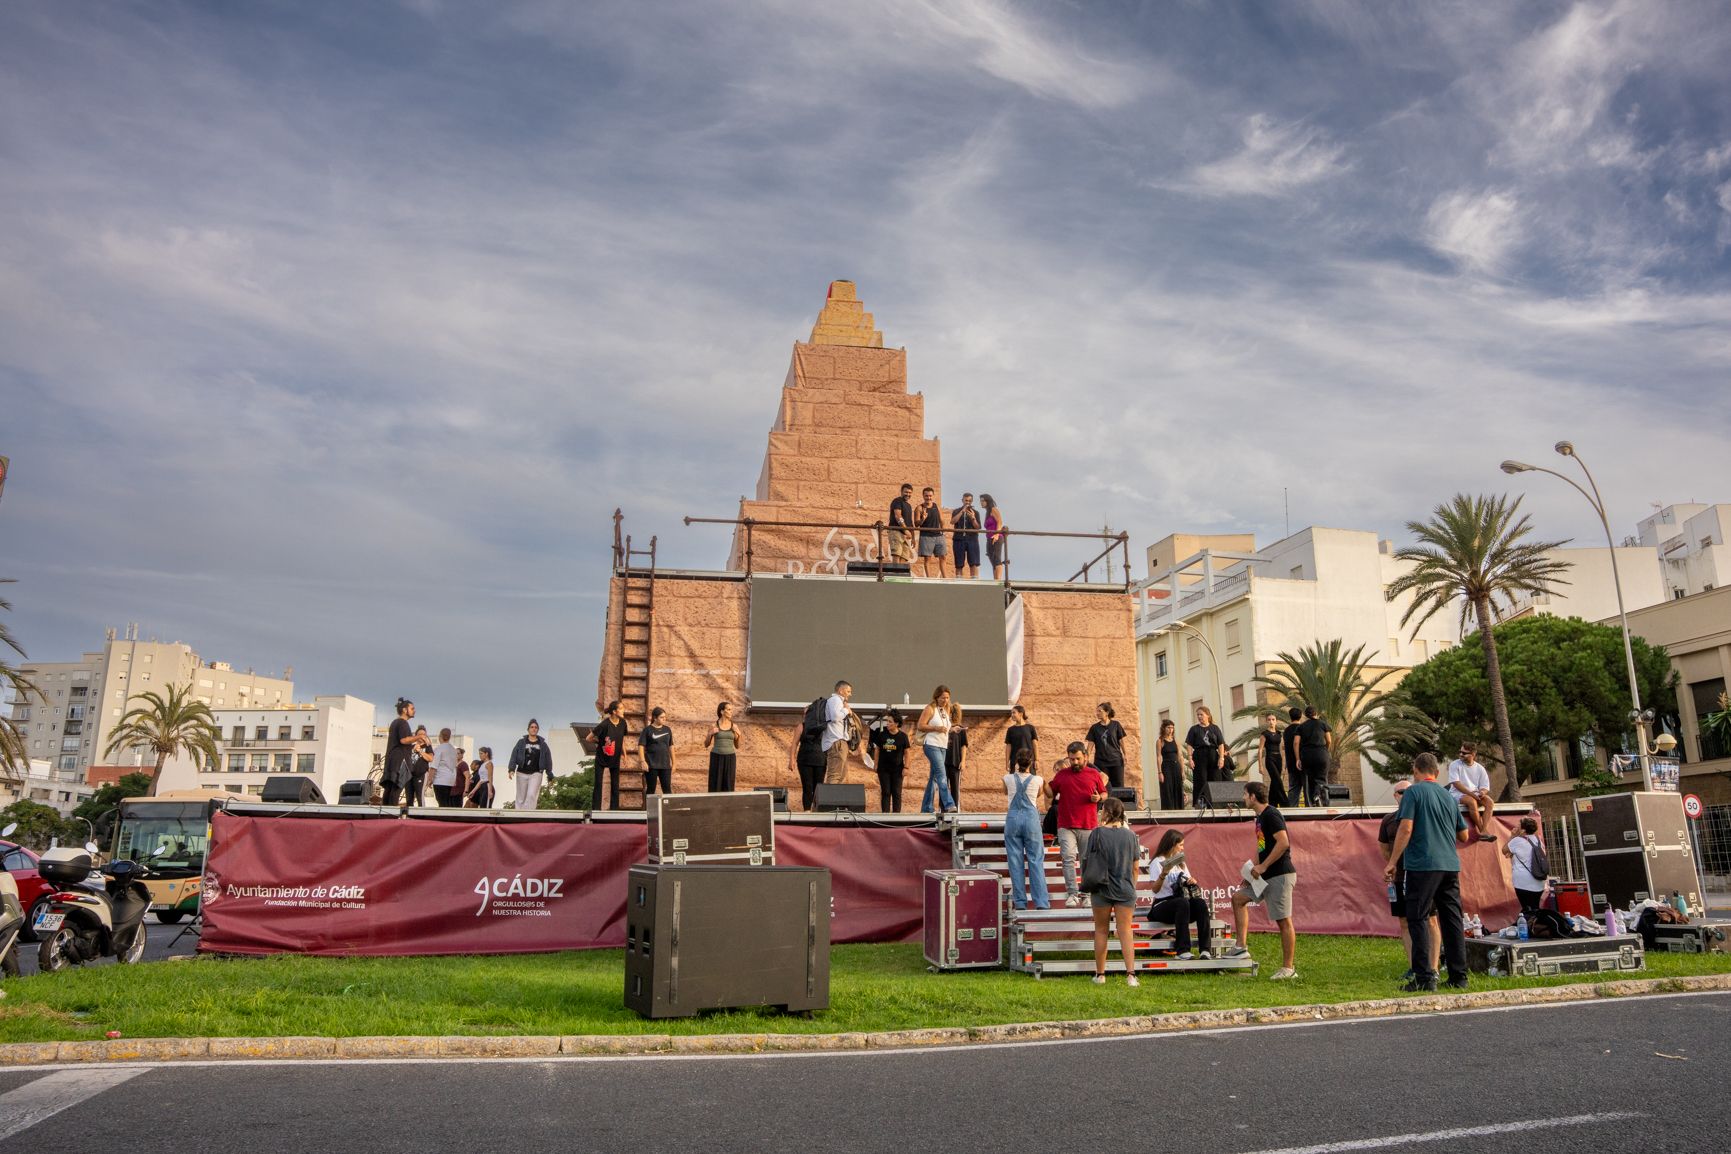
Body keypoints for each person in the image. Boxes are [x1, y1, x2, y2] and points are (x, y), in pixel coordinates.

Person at [1384, 752, 1472, 993]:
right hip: (1450, 864)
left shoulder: (1413, 792)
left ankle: (1424, 977)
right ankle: (1458, 975)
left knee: (1418, 916)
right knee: (1451, 918)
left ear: (1416, 770)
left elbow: (1406, 828)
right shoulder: (1448, 796)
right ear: (1436, 771)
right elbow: (1463, 834)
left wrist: (1392, 861)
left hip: (1422, 865)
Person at [1227, 781, 1298, 979]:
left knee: (1283, 921)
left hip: (1280, 875)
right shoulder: (1259, 819)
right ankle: (1241, 946)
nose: (1242, 798)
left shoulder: (1271, 814)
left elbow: (1283, 842)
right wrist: (1250, 875)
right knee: (1238, 898)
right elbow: (1261, 847)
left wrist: (1264, 866)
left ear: (1253, 797)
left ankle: (1288, 969)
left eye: (1244, 794)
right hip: (1263, 876)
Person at [1379, 779, 1439, 981]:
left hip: (1423, 875)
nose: (1404, 795)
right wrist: (1392, 864)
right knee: (1404, 921)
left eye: (1408, 791)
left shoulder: (1423, 817)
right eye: (1400, 792)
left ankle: (1433, 967)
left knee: (1430, 920)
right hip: (1400, 878)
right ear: (1395, 796)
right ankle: (1415, 966)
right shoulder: (1388, 820)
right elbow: (1384, 847)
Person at [1084, 796, 1144, 986]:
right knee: (1125, 931)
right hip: (1125, 887)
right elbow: (1136, 867)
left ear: (1107, 812)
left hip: (1101, 887)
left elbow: (1087, 860)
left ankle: (1100, 975)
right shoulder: (1130, 836)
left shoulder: (1097, 833)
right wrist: (1131, 886)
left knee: (1101, 931)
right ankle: (1131, 975)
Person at [1046, 741, 1108, 907]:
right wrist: (1041, 783)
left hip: (1088, 824)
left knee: (1087, 861)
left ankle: (1086, 894)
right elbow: (1051, 792)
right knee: (1068, 858)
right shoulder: (1062, 775)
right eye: (1072, 759)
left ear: (1085, 757)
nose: (1075, 762)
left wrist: (1099, 798)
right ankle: (1072, 893)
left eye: (1078, 759)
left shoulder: (1094, 774)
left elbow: (1104, 793)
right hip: (1066, 824)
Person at [1147, 829, 1212, 959]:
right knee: (1182, 903)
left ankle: (1205, 950)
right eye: (1180, 845)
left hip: (1181, 904)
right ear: (1172, 844)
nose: (1182, 848)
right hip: (1162, 904)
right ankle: (1182, 950)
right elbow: (1154, 890)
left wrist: (1191, 881)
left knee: (1200, 903)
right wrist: (1163, 873)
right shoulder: (1157, 862)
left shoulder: (1180, 862)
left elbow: (1186, 881)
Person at [1002, 749, 1049, 910]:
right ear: (1031, 762)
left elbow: (1006, 792)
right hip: (1031, 821)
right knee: (1036, 860)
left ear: (1016, 762)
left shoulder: (1007, 778)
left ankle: (1020, 902)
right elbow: (1038, 795)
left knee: (1015, 862)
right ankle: (1041, 902)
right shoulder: (1038, 780)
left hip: (1013, 820)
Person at [917, 685, 959, 813]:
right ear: (936, 697)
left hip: (942, 746)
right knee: (942, 774)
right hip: (931, 745)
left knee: (934, 777)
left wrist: (952, 729)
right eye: (942, 698)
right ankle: (949, 804)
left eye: (947, 698)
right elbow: (920, 725)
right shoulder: (930, 709)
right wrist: (936, 728)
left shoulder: (945, 710)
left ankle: (926, 808)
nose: (945, 700)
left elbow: (944, 728)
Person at [1446, 742, 1496, 839]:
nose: (1461, 754)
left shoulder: (1480, 768)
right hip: (1456, 794)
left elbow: (1485, 787)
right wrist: (1472, 795)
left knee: (1489, 802)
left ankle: (1484, 830)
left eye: (1464, 753)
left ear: (1473, 754)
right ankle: (1483, 831)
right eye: (1460, 752)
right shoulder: (1454, 765)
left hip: (1474, 794)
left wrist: (1482, 793)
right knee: (1471, 801)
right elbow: (1456, 784)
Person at [791, 698, 830, 812]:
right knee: (807, 787)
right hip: (804, 760)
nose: (806, 715)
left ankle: (817, 810)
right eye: (805, 713)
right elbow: (794, 743)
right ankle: (807, 810)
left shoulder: (822, 727)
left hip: (820, 760)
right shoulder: (801, 726)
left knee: (818, 787)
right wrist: (791, 760)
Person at [1184, 706, 1225, 809]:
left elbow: (1220, 744)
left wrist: (1221, 758)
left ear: (1208, 715)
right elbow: (1189, 744)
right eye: (1198, 715)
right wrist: (1190, 758)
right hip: (1199, 755)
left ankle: (1215, 804)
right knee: (1200, 780)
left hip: (1213, 755)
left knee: (1215, 779)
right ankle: (1200, 804)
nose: (1199, 716)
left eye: (1201, 714)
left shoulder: (1214, 728)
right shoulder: (1194, 729)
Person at [821, 680, 862, 785]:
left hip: (839, 742)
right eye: (848, 691)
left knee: (841, 776)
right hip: (836, 742)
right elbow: (835, 717)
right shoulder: (835, 700)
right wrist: (846, 710)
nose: (850, 694)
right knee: (835, 775)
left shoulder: (838, 701)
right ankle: (829, 801)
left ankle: (836, 800)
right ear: (840, 690)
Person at [1504, 816, 1546, 915]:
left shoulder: (1517, 840)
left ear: (1523, 830)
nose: (1516, 827)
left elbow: (1504, 850)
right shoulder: (1538, 840)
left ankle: (1529, 927)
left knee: (1527, 909)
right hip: (1539, 881)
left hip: (1523, 882)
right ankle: (1537, 926)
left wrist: (1512, 836)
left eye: (1518, 826)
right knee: (1535, 908)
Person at [382, 698, 420, 808]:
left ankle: (385, 815)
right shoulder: (403, 723)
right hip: (400, 762)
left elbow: (401, 743)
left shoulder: (395, 723)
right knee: (396, 789)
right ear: (404, 710)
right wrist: (419, 736)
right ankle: (391, 815)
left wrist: (413, 747)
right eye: (412, 708)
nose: (414, 711)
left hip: (392, 761)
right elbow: (404, 740)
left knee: (389, 789)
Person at [587, 702, 625, 809]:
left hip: (615, 758)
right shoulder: (604, 725)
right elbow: (588, 738)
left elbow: (622, 740)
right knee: (598, 784)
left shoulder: (623, 723)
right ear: (614, 711)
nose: (623, 711)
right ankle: (596, 810)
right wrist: (598, 742)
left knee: (615, 785)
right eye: (621, 709)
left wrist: (624, 755)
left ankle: (614, 811)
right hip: (601, 758)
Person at [512, 718, 555, 810]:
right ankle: (518, 815)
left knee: (532, 794)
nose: (534, 729)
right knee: (521, 797)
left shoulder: (543, 744)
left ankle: (529, 814)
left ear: (538, 729)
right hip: (522, 772)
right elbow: (514, 755)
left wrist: (549, 774)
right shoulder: (521, 742)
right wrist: (511, 769)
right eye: (532, 727)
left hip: (536, 773)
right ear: (528, 729)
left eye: (536, 727)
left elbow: (548, 759)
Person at [1085, 702, 1129, 791]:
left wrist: (1125, 755)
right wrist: (1086, 758)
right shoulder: (1094, 728)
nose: (1097, 713)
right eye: (1096, 711)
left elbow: (1121, 742)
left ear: (1107, 712)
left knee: (1119, 785)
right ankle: (1105, 805)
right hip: (1101, 762)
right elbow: (1090, 746)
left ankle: (1117, 805)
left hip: (1116, 760)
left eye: (1099, 711)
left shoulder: (1116, 725)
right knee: (1103, 786)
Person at [1295, 706, 1333, 807]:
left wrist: (1298, 759)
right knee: (1321, 778)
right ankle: (1318, 795)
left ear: (1306, 715)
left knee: (1310, 780)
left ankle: (1312, 803)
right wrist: (1325, 750)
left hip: (1306, 755)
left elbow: (1296, 743)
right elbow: (1329, 740)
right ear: (1316, 713)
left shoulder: (1301, 726)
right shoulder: (1323, 724)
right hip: (1321, 753)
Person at [874, 712, 908, 812]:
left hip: (898, 769)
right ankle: (885, 815)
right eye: (887, 721)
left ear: (896, 724)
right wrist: (875, 764)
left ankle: (896, 816)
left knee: (897, 792)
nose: (887, 723)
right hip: (883, 769)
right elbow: (877, 749)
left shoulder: (903, 736)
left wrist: (906, 767)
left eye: (890, 722)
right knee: (886, 792)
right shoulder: (882, 735)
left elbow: (907, 753)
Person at [638, 707, 676, 797]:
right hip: (651, 765)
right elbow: (640, 746)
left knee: (667, 789)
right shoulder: (647, 730)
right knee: (651, 789)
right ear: (655, 718)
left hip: (665, 765)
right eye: (662, 717)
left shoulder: (667, 730)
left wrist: (674, 763)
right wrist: (643, 761)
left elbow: (671, 746)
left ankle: (667, 811)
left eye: (665, 717)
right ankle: (648, 810)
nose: (664, 719)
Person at [705, 701, 741, 792]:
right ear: (722, 711)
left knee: (728, 783)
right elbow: (706, 744)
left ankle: (728, 805)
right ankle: (714, 804)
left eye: (731, 710)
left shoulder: (734, 726)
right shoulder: (714, 725)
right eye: (728, 709)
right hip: (716, 756)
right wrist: (710, 734)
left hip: (730, 757)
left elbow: (737, 746)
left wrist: (739, 734)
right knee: (715, 783)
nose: (731, 712)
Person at [1257, 712, 1289, 808]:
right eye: (1269, 720)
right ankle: (1286, 804)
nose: (1271, 721)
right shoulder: (1265, 734)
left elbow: (1282, 748)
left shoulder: (1279, 734)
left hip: (1278, 758)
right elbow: (1260, 750)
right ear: (1267, 721)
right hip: (1270, 758)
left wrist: (1284, 764)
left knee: (1275, 783)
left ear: (1276, 721)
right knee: (1278, 781)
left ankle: (1272, 805)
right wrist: (1260, 766)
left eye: (1273, 719)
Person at [915, 486, 948, 578]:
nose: (928, 498)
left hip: (938, 536)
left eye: (930, 496)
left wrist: (943, 531)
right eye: (926, 496)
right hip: (926, 536)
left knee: (943, 557)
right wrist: (922, 519)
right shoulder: (919, 508)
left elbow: (942, 520)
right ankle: (929, 578)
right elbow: (916, 524)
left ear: (933, 496)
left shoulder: (936, 506)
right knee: (927, 558)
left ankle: (945, 578)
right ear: (923, 496)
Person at [950, 492, 982, 579]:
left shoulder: (975, 512)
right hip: (958, 539)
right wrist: (962, 512)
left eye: (969, 501)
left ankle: (974, 582)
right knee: (959, 563)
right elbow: (952, 522)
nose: (967, 502)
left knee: (974, 562)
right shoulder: (956, 511)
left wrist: (973, 518)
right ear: (962, 500)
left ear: (972, 501)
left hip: (972, 539)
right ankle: (959, 582)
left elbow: (978, 527)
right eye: (966, 500)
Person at [1155, 718, 1184, 810]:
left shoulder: (1176, 741)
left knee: (1178, 788)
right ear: (1164, 728)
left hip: (1176, 766)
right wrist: (1160, 772)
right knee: (1167, 789)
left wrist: (1182, 771)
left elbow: (1180, 756)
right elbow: (1159, 757)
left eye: (1172, 727)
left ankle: (1179, 811)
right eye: (1168, 727)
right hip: (1166, 767)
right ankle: (1168, 811)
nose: (1171, 729)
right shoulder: (1160, 741)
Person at [944, 701, 968, 805]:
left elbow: (964, 746)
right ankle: (943, 809)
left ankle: (954, 811)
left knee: (955, 788)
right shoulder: (945, 728)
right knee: (943, 787)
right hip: (944, 762)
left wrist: (963, 761)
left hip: (955, 762)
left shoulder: (961, 729)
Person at [1004, 704, 1039, 774]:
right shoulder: (1010, 730)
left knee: (1030, 783)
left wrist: (1037, 760)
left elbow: (1035, 745)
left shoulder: (1030, 728)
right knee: (1014, 783)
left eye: (1014, 712)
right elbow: (1008, 747)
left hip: (1029, 762)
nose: (1012, 715)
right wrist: (1007, 762)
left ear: (1021, 714)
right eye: (1011, 713)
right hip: (1015, 762)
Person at [430, 728, 460, 807]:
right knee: (447, 802)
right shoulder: (454, 750)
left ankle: (442, 818)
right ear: (449, 737)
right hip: (450, 780)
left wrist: (430, 780)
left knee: (441, 802)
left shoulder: (439, 749)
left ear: (440, 736)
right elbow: (455, 766)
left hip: (440, 780)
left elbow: (433, 766)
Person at [887, 482, 916, 565]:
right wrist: (906, 530)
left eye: (910, 493)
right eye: (906, 492)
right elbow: (898, 516)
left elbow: (910, 522)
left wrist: (913, 537)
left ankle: (900, 576)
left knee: (904, 557)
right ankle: (895, 576)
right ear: (901, 492)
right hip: (896, 532)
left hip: (905, 534)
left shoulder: (909, 505)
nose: (908, 494)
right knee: (897, 555)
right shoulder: (897, 501)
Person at [981, 493, 1007, 581]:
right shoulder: (987, 513)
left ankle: (998, 580)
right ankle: (995, 579)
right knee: (992, 558)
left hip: (997, 537)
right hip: (989, 538)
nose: (981, 503)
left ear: (987, 501)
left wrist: (996, 534)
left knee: (996, 558)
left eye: (983, 501)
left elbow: (1000, 521)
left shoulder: (993, 509)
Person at [1282, 706, 1305, 806]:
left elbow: (1284, 746)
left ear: (1290, 717)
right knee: (1307, 788)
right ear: (1300, 716)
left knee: (1293, 789)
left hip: (1290, 763)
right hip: (1302, 762)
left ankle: (1291, 811)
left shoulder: (1286, 731)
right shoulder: (1302, 728)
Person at [408, 725, 434, 807]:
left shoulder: (428, 747)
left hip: (421, 775)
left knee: (420, 796)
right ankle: (408, 816)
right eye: (420, 734)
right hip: (409, 775)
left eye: (424, 734)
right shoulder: (410, 746)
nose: (422, 736)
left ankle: (422, 815)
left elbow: (430, 758)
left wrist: (420, 752)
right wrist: (413, 749)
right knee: (409, 797)